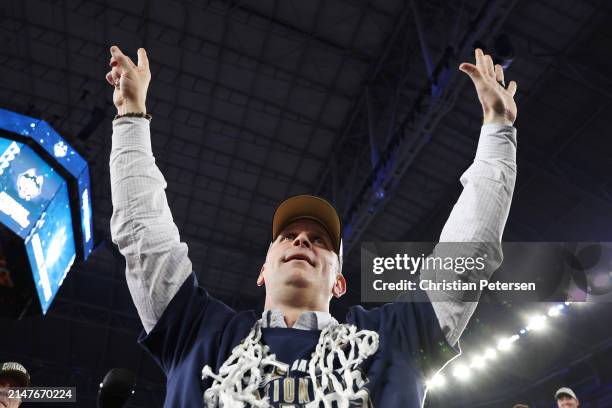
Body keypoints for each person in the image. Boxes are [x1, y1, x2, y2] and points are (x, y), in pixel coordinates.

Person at [107, 44, 517, 407]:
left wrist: (499, 132)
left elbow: (468, 255)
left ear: (339, 283)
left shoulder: (396, 338)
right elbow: (145, 239)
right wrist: (130, 118)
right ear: (263, 272)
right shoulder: (198, 331)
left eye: (320, 241)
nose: (302, 238)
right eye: (288, 236)